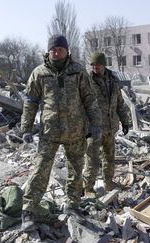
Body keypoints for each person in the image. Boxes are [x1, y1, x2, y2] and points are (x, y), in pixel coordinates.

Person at [20, 34, 102, 231]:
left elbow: (90, 99)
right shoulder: (39, 73)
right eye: (53, 49)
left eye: (60, 49)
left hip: (75, 131)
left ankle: (72, 206)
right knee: (40, 169)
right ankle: (28, 210)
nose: (57, 52)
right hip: (50, 132)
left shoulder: (78, 71)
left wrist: (96, 124)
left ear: (67, 51)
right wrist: (26, 128)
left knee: (76, 169)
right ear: (48, 51)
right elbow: (30, 102)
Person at [83, 52, 131, 196]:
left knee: (109, 158)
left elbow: (120, 103)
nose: (94, 67)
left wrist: (125, 121)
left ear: (103, 65)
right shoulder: (87, 81)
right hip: (94, 128)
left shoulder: (113, 80)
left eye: (97, 64)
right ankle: (88, 188)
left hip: (110, 127)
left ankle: (109, 183)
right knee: (92, 160)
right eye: (92, 65)